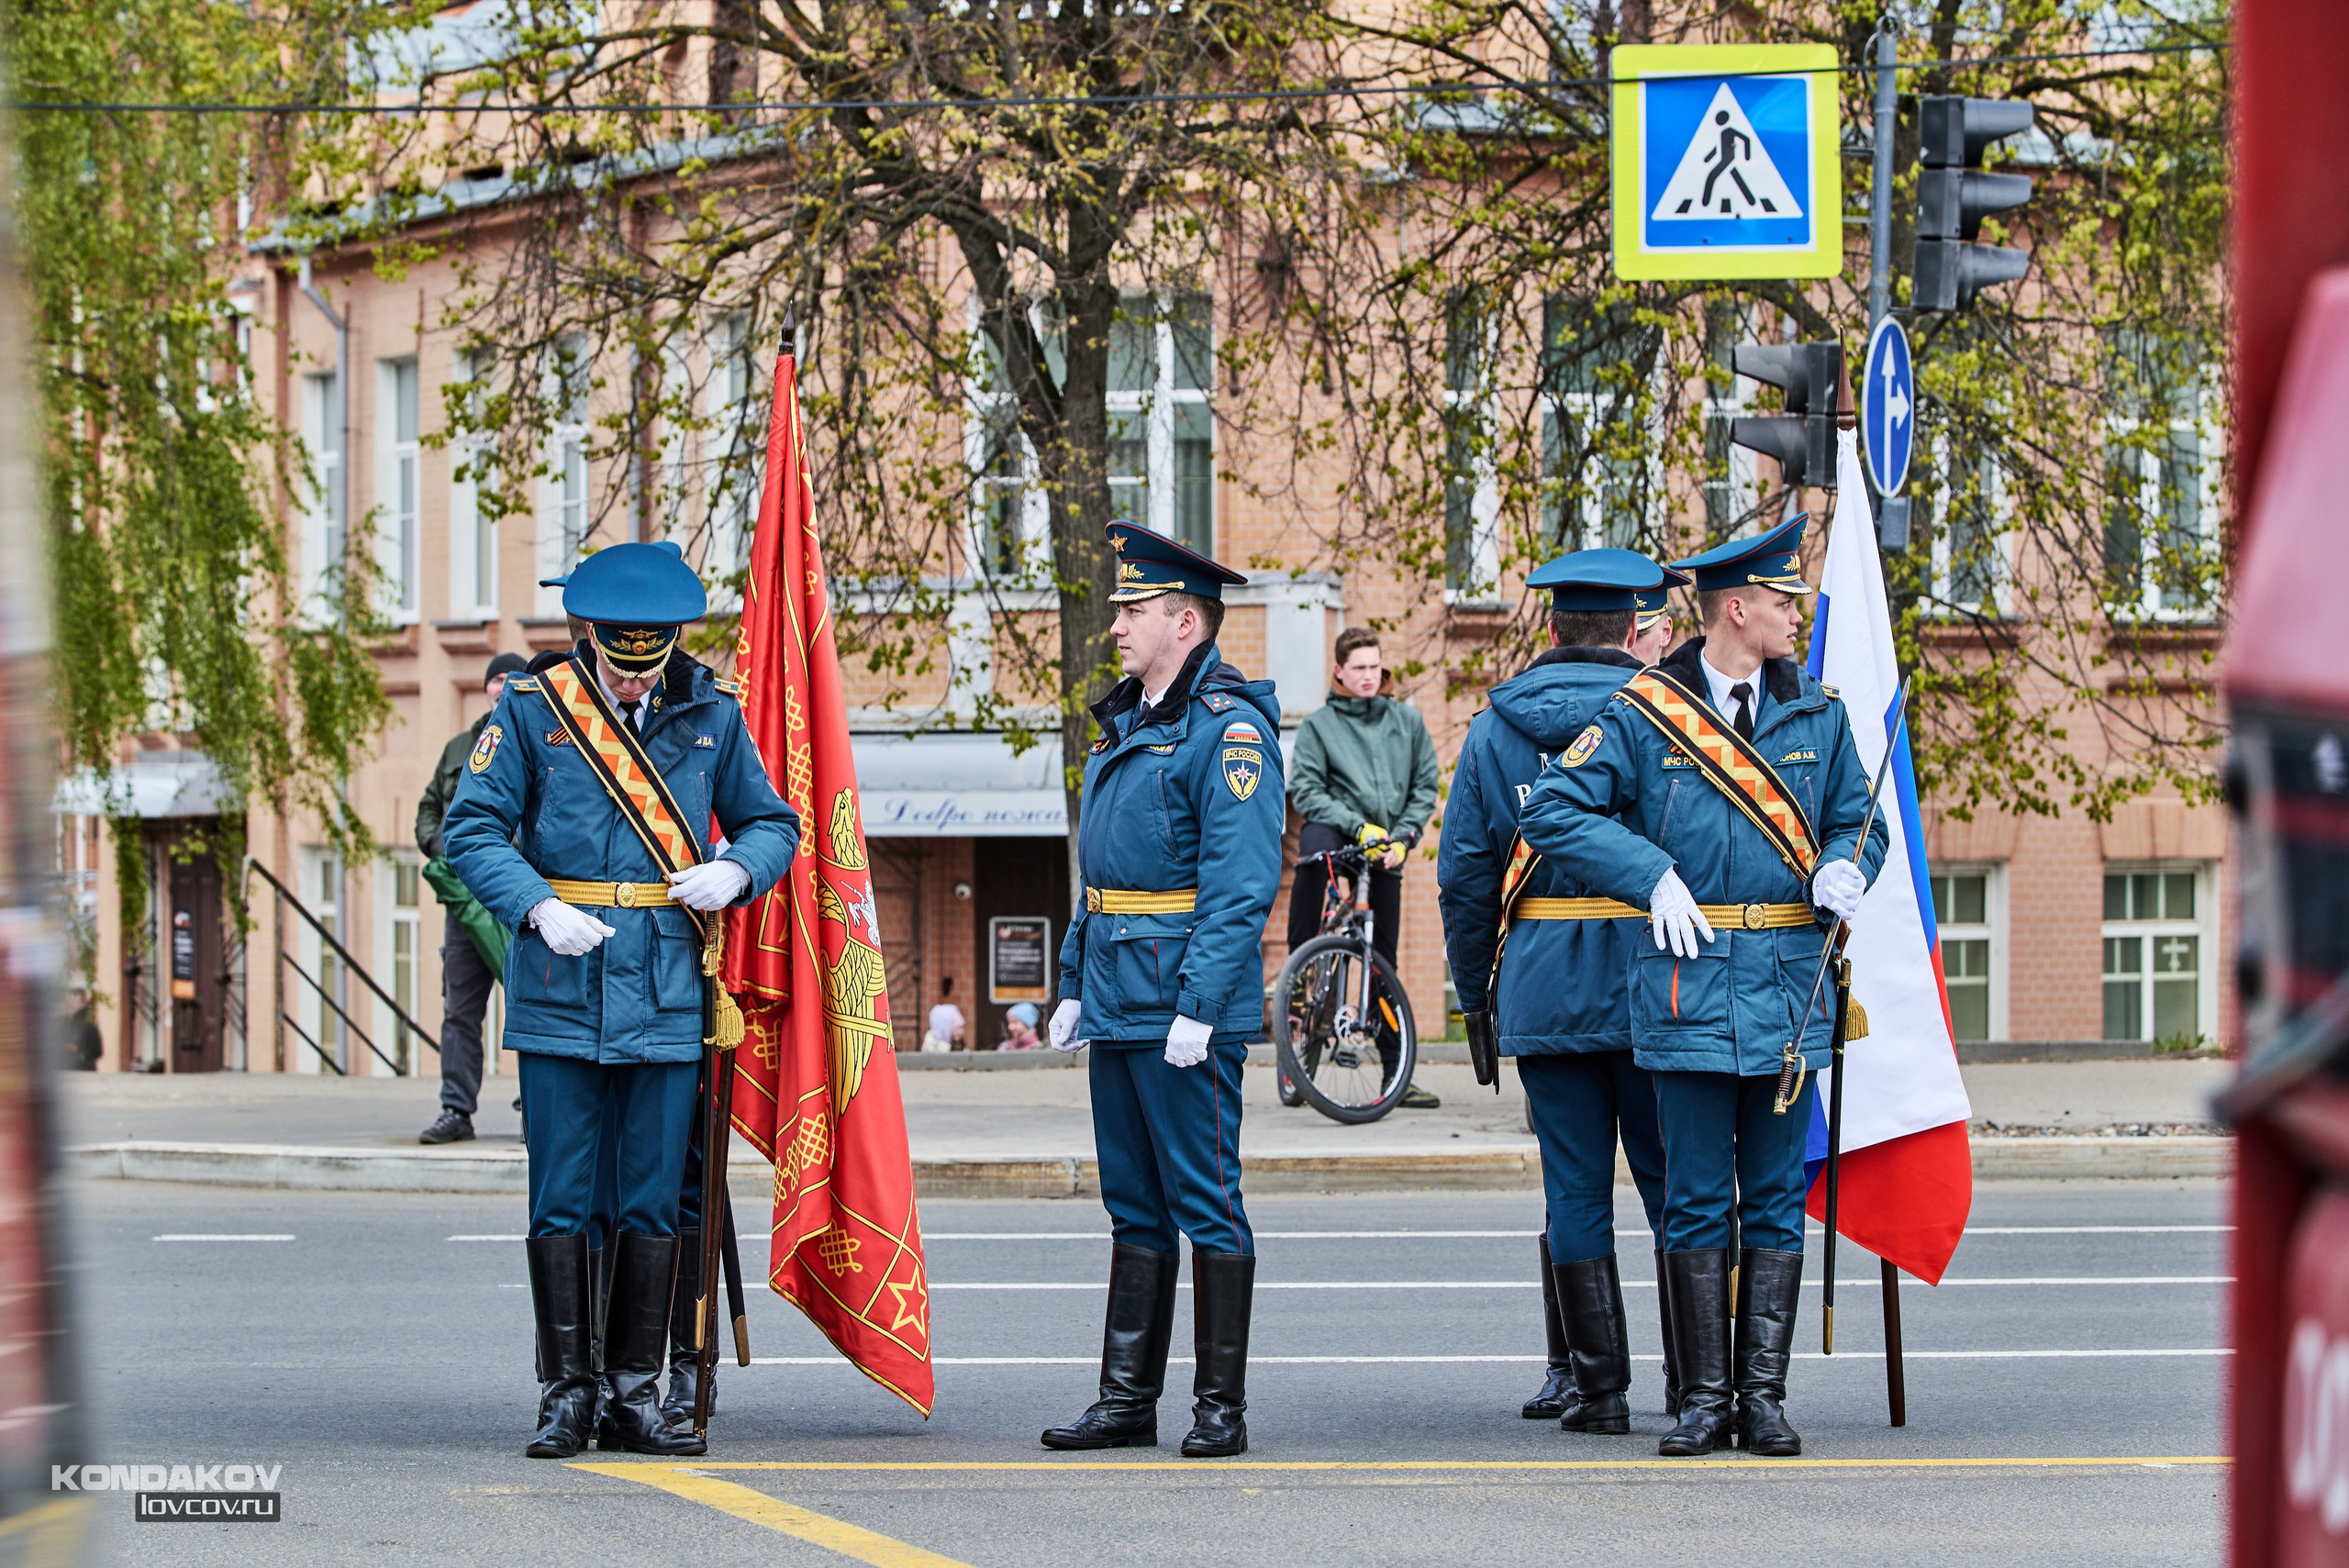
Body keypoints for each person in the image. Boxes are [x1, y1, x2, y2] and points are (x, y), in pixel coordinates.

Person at [1518, 516, 1886, 1459]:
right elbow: (1554, 806)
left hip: (1785, 986)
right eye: (1782, 600)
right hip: (1684, 981)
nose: (1795, 615)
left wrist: (1848, 865)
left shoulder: (1820, 713)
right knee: (1690, 1197)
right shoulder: (1645, 712)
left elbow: (1858, 818)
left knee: (1769, 1191)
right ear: (1736, 608)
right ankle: (1703, 1399)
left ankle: (1761, 1397)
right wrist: (1648, 873)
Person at [445, 541, 801, 1460]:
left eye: (647, 666)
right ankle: (567, 1391)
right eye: (617, 664)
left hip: (668, 990)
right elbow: (470, 828)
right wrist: (536, 905)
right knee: (562, 1199)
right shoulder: (534, 711)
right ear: (591, 640)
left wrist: (735, 867)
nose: (634, 685)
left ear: (672, 646)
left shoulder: (711, 713)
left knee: (649, 1199)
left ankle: (636, 1393)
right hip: (563, 978)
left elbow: (773, 823)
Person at [1041, 521, 1286, 1459]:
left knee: (1204, 1200)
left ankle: (1219, 1407)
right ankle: (1125, 1398)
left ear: (1186, 621)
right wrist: (1070, 976)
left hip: (1180, 1005)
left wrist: (1202, 1003)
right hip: (1117, 996)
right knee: (1133, 1204)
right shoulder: (1131, 723)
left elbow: (1238, 885)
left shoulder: (1225, 732)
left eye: (1134, 610)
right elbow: (1099, 878)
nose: (1118, 625)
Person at [1437, 550, 1687, 1435]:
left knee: (1573, 1191)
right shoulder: (1667, 714)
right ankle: (1695, 1386)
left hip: (1543, 984)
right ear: (1631, 629)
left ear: (1550, 630)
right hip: (1658, 979)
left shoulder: (1495, 729)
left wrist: (1479, 997)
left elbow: (1466, 880)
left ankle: (1600, 1390)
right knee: (1675, 1187)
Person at [1286, 627, 1442, 1108]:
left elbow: (1424, 788)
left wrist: (1406, 838)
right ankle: (1301, 964)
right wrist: (1358, 827)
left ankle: (1395, 1074)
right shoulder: (1318, 727)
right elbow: (1307, 791)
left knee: (1384, 959)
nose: (1369, 676)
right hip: (1340, 833)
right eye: (1359, 668)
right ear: (1339, 672)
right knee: (1313, 848)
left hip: (1387, 846)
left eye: (1375, 667)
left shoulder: (1407, 723)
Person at [417, 651, 531, 1144]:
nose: (503, 687)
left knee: (533, 1007)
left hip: (517, 900)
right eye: (497, 679)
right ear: (486, 688)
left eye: (514, 679)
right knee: (460, 1010)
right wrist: (444, 845)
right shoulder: (459, 747)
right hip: (464, 905)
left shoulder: (537, 738)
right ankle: (456, 1110)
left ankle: (536, 1108)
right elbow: (429, 808)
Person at [63, 984, 102, 1071]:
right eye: (69, 1001)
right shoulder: (67, 1021)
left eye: (74, 1001)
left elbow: (97, 1051)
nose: (71, 1005)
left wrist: (77, 1049)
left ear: (83, 1003)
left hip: (83, 1071)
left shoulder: (88, 1023)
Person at [924, 977, 966, 1053]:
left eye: (962, 1027)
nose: (961, 1032)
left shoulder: (958, 1046)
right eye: (956, 1028)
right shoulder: (931, 1046)